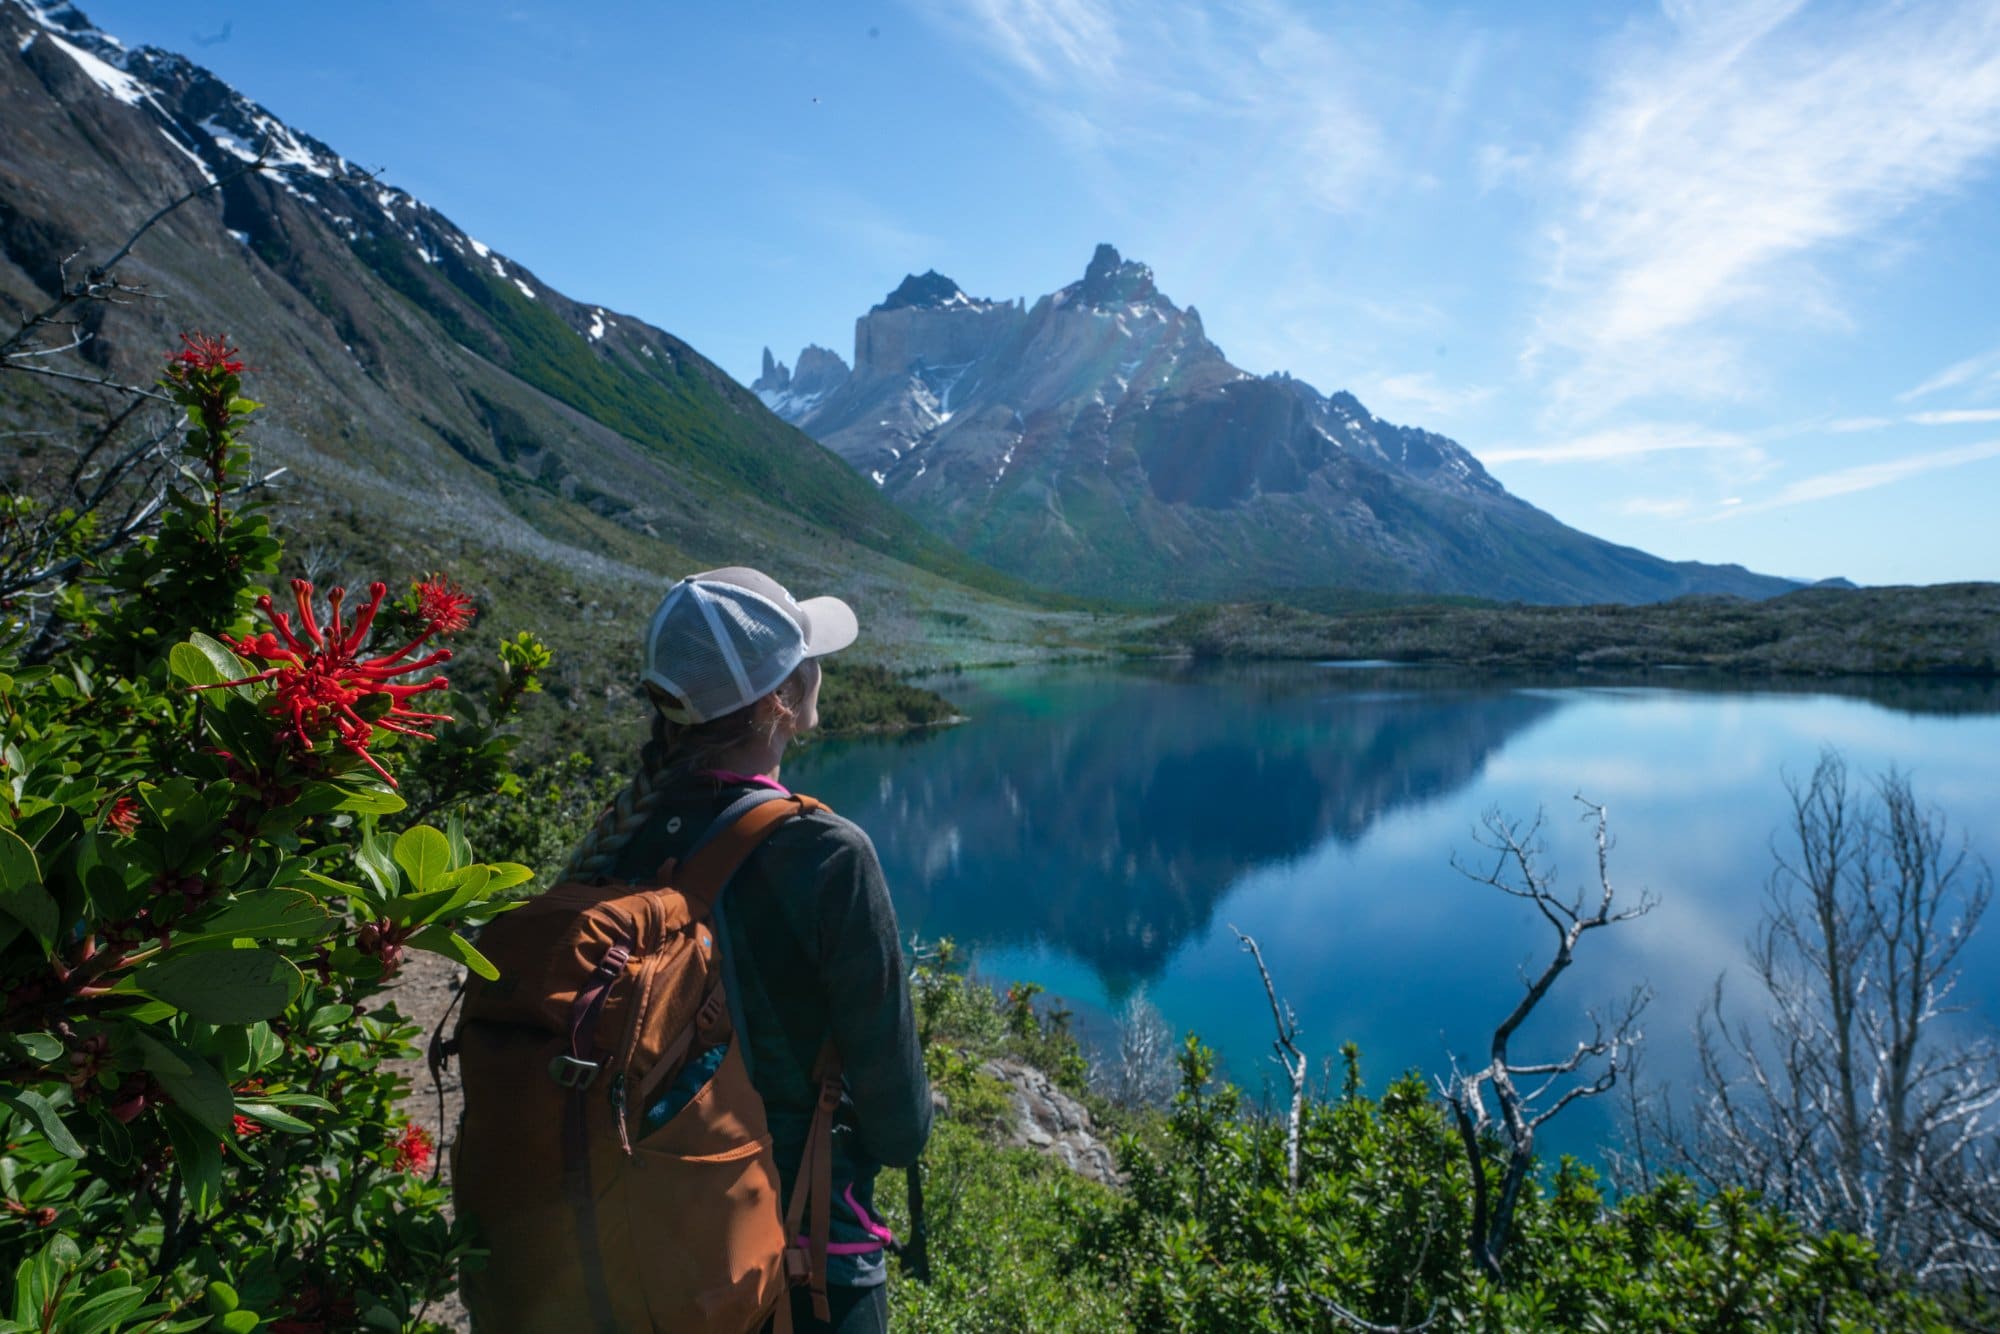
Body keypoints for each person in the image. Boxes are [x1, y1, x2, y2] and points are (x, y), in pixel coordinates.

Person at [559, 566, 931, 1334]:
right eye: (809, 661)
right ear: (780, 702)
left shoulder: (622, 837)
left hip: (636, 1238)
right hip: (797, 1251)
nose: (820, 672)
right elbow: (900, 1127)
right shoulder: (826, 852)